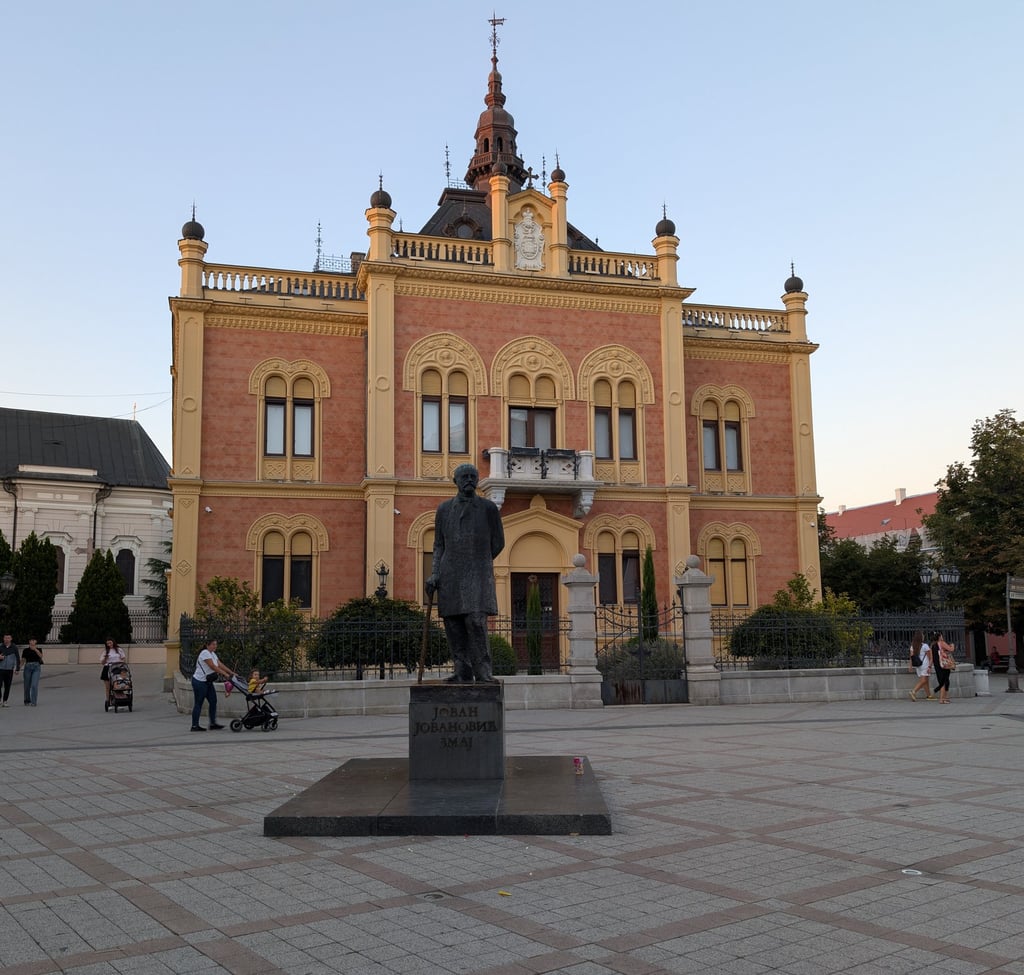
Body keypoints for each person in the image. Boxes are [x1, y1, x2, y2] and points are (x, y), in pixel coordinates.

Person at [426, 463, 505, 683]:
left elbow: (498, 542)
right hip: (449, 574)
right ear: (456, 481)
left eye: (473, 476)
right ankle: (462, 670)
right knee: (453, 625)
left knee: (476, 623)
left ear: (478, 480)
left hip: (477, 575)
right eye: (464, 476)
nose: (469, 479)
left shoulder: (489, 509)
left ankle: (483, 672)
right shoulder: (443, 509)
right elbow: (438, 545)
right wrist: (435, 573)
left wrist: (479, 560)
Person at [190, 638, 233, 731]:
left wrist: (231, 672)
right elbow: (212, 666)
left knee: (213, 701)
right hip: (199, 682)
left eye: (216, 644)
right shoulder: (205, 653)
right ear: (207, 645)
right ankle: (194, 725)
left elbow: (219, 664)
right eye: (213, 644)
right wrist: (225, 674)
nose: (215, 646)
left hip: (208, 682)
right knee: (198, 703)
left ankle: (213, 723)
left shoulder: (212, 654)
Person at [909, 630, 935, 701]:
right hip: (925, 665)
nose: (924, 636)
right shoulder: (925, 646)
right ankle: (913, 691)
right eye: (923, 635)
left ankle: (928, 695)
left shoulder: (912, 646)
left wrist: (910, 666)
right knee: (924, 681)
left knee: (925, 681)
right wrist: (930, 666)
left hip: (917, 666)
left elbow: (911, 657)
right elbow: (930, 657)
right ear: (921, 637)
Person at [100, 639, 127, 706]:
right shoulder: (106, 651)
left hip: (117, 668)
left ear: (113, 642)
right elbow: (102, 663)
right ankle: (108, 701)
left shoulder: (119, 650)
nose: (109, 644)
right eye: (108, 643)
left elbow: (123, 658)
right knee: (108, 687)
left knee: (118, 684)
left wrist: (121, 664)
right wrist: (105, 658)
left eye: (110, 643)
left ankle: (120, 700)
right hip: (107, 668)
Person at [932, 632, 955, 704]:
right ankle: (942, 699)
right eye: (941, 635)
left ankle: (945, 697)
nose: (942, 636)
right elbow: (951, 649)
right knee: (944, 682)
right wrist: (952, 645)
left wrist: (930, 665)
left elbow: (933, 657)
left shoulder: (933, 645)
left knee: (943, 681)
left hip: (937, 665)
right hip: (944, 665)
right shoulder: (941, 643)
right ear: (939, 637)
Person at [21, 638, 43, 706]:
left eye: (34, 640)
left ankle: (33, 702)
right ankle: (27, 700)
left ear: (36, 641)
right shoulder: (25, 650)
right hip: (28, 667)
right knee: (27, 685)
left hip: (36, 667)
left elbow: (41, 656)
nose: (32, 641)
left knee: (34, 685)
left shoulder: (39, 649)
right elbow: (23, 660)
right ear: (29, 642)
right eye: (31, 640)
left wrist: (35, 649)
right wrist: (18, 668)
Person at [0, 633, 20, 707]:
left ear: (11, 639)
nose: (7, 639)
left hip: (9, 670)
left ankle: (5, 701)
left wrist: (17, 668)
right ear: (3, 638)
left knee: (7, 686)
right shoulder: (0, 646)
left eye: (8, 638)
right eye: (5, 638)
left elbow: (17, 658)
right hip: (0, 669)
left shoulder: (14, 647)